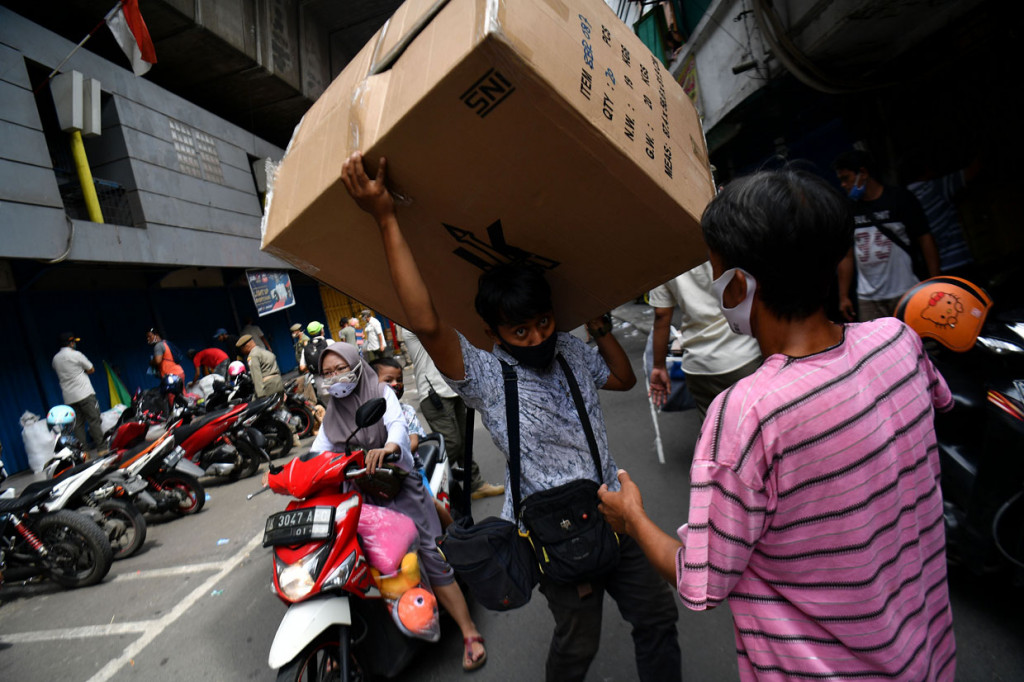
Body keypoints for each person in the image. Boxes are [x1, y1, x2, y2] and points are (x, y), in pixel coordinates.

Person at [598, 168, 956, 681]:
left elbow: (702, 582)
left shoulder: (746, 414)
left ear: (739, 284)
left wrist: (632, 517)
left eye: (719, 275)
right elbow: (930, 405)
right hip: (929, 657)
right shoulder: (897, 340)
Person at [341, 152, 681, 682]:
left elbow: (621, 379)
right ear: (495, 333)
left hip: (617, 512)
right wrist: (386, 217)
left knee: (658, 618)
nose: (537, 338)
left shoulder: (568, 348)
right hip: (552, 532)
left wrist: (599, 328)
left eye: (543, 323)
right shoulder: (485, 375)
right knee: (576, 644)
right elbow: (427, 322)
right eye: (520, 331)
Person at [310, 343, 487, 671]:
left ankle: (469, 631)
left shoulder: (380, 392)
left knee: (428, 554)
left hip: (398, 485)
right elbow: (319, 449)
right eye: (328, 372)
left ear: (355, 365)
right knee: (349, 560)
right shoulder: (333, 410)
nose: (335, 377)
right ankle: (345, 642)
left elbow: (396, 425)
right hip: (362, 492)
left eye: (340, 369)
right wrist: (291, 472)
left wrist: (390, 446)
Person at [833, 149, 940, 321]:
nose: (843, 185)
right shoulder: (848, 209)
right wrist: (844, 296)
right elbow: (847, 256)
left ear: (863, 173)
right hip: (868, 299)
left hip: (905, 292)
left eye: (846, 178)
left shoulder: (899, 199)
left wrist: (935, 281)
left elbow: (925, 238)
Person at [648, 261, 762, 418]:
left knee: (714, 434)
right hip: (741, 355)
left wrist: (658, 366)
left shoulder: (661, 258)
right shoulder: (719, 240)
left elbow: (661, 315)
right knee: (755, 428)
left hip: (697, 366)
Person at [403, 328, 504, 499]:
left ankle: (475, 484)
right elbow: (431, 327)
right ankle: (425, 486)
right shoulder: (411, 326)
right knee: (452, 444)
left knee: (465, 441)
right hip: (434, 392)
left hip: (454, 387)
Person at [51, 332, 104, 451]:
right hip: (85, 393)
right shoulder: (76, 355)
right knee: (94, 420)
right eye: (73, 342)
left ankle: (84, 453)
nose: (74, 344)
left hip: (69, 398)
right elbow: (91, 369)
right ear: (70, 343)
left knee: (77, 426)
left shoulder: (55, 359)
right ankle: (102, 448)